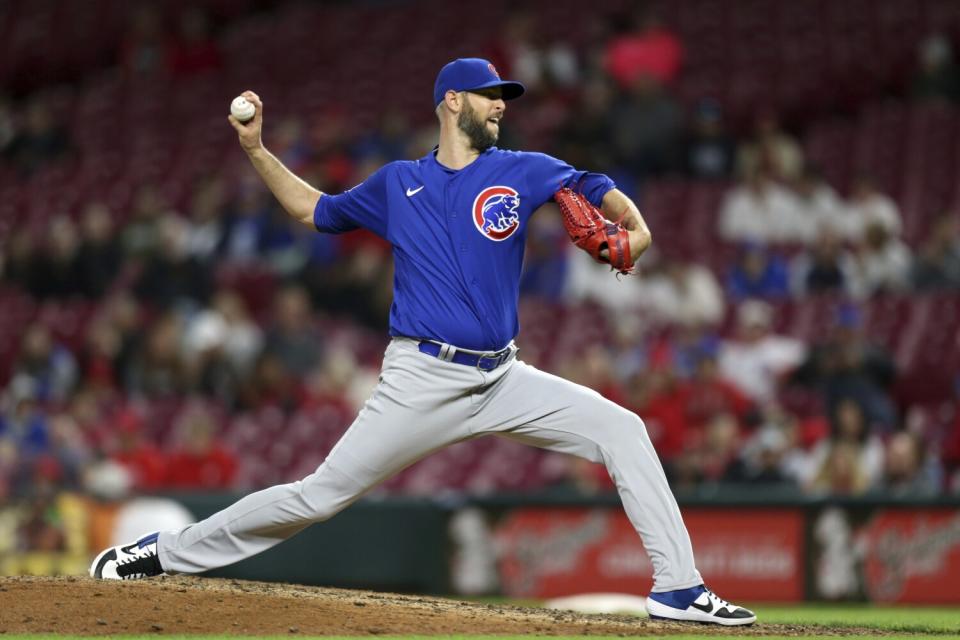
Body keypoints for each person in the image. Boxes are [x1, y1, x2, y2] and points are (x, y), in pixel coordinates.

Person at [89, 58, 755, 626]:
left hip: (503, 377)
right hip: (421, 379)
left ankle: (678, 588)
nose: (500, 107)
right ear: (453, 102)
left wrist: (632, 231)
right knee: (318, 496)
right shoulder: (396, 184)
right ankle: (161, 554)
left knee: (623, 429)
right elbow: (311, 210)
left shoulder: (523, 170)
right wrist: (257, 151)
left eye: (505, 98)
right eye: (491, 96)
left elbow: (602, 195)